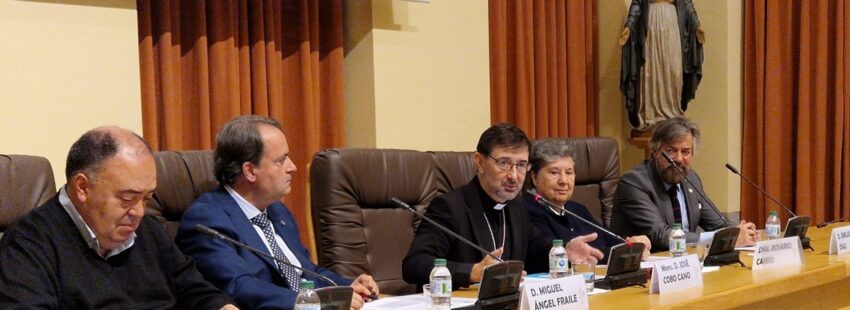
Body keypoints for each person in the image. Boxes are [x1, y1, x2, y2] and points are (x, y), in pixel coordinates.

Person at [0, 127, 236, 309]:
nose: (139, 212)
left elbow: (196, 290)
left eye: (147, 198)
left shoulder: (149, 232)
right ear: (82, 187)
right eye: (127, 198)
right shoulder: (28, 244)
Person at [176, 116, 379, 310]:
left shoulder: (277, 211)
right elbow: (238, 286)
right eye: (281, 160)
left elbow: (306, 272)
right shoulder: (207, 219)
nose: (293, 167)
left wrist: (346, 287)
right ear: (249, 171)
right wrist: (310, 303)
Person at [402, 123, 603, 289]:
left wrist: (564, 253)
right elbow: (414, 264)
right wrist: (472, 272)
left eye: (521, 165)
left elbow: (537, 250)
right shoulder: (450, 207)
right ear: (479, 162)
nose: (514, 176)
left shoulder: (516, 205)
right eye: (504, 163)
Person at [610, 117, 758, 250]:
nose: (679, 159)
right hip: (646, 268)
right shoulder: (634, 183)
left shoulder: (690, 179)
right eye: (671, 151)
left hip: (686, 264)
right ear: (655, 152)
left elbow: (718, 223)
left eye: (685, 152)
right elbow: (661, 235)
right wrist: (724, 238)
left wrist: (741, 232)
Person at [523, 139, 651, 262]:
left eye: (569, 173)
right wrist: (621, 253)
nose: (563, 181)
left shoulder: (577, 209)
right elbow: (559, 257)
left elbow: (613, 243)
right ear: (534, 177)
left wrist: (635, 246)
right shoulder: (527, 210)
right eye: (554, 173)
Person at [619, 0, 704, 131]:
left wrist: (696, 26)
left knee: (673, 71)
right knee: (651, 72)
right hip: (651, 23)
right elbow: (637, 4)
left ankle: (673, 114)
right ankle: (650, 116)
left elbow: (687, 5)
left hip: (671, 24)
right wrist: (629, 26)